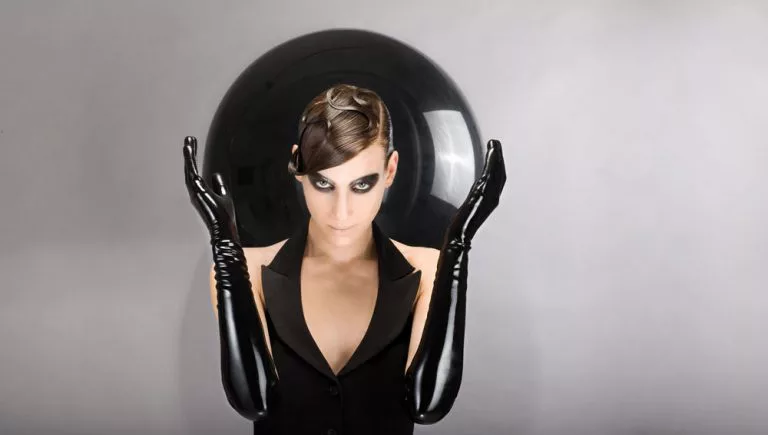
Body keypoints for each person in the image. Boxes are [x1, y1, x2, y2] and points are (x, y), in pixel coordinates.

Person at [183, 83, 506, 434]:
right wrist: (225, 248)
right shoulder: (246, 270)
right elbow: (253, 401)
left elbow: (427, 405)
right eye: (324, 184)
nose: (341, 211)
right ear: (299, 168)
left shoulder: (428, 270)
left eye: (361, 185)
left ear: (390, 171)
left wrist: (458, 245)